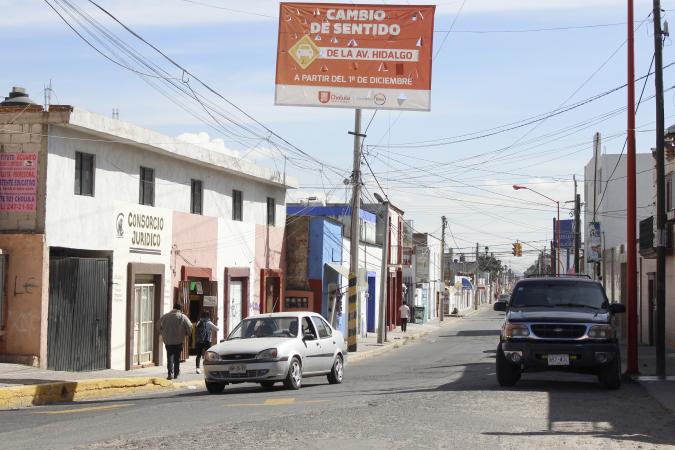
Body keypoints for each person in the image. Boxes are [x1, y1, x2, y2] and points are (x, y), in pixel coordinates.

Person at [158, 303, 192, 380]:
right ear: (180, 309)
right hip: (179, 340)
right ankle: (176, 373)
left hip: (168, 340)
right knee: (177, 358)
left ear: (173, 308)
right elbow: (190, 326)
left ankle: (170, 373)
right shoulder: (182, 317)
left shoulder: (165, 316)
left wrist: (162, 332)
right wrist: (187, 333)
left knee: (169, 356)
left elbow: (158, 324)